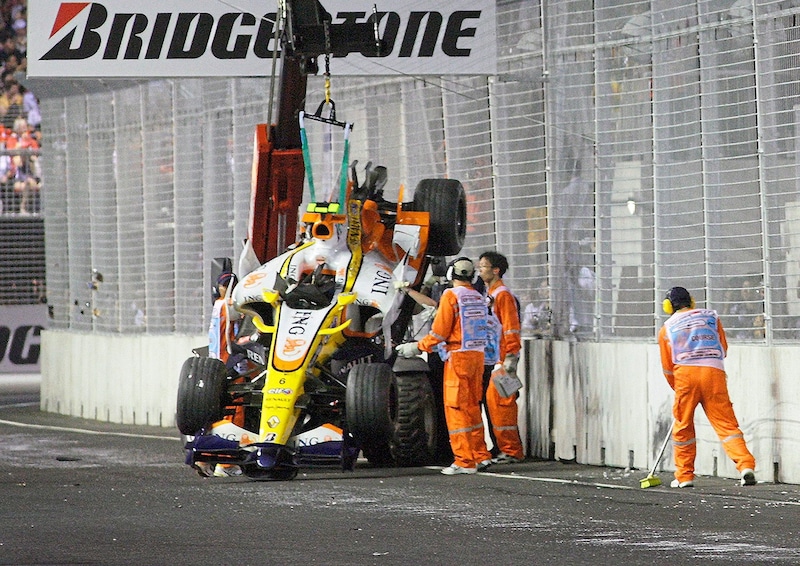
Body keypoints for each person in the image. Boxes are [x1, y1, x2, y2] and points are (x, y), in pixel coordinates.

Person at [396, 257, 493, 475]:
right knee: (472, 408)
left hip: (458, 359)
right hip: (476, 357)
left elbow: (440, 332)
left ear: (450, 275)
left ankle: (464, 461)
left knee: (456, 409)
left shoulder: (451, 296)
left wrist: (417, 347)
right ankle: (481, 455)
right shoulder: (477, 296)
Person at [658, 286, 757, 488]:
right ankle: (745, 465)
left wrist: (678, 388)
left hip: (685, 377)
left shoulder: (667, 328)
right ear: (691, 301)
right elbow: (723, 348)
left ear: (668, 306)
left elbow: (668, 369)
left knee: (683, 427)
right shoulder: (711, 317)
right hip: (714, 373)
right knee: (727, 425)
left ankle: (684, 476)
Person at [478, 251, 525, 464]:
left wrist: (511, 356)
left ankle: (511, 450)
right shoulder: (492, 294)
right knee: (497, 403)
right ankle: (505, 448)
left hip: (504, 358)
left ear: (495, 270)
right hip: (498, 358)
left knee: (502, 405)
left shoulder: (502, 295)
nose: (480, 271)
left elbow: (511, 327)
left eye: (483, 267)